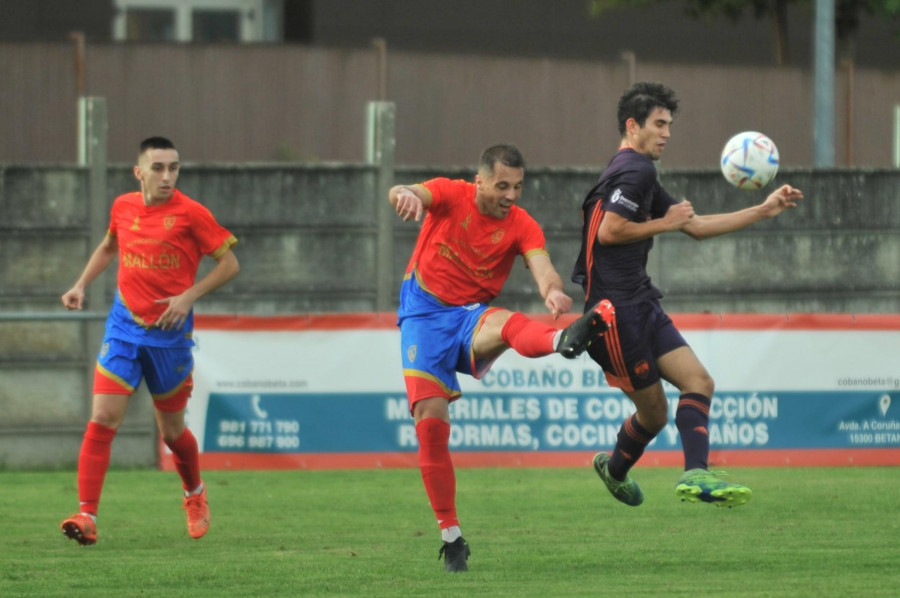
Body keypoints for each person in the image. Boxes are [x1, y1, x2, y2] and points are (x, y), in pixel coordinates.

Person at [572, 82, 803, 508]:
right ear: (632, 125)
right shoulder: (635, 170)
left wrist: (763, 209)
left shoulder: (640, 172)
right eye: (659, 124)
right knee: (655, 413)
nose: (667, 133)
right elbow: (609, 232)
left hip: (640, 303)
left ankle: (696, 474)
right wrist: (665, 223)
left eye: (669, 125)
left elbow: (693, 226)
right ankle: (615, 468)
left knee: (699, 381)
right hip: (614, 315)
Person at [390, 144, 611, 572]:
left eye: (519, 187)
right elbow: (408, 190)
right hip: (422, 316)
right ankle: (452, 537)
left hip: (470, 316)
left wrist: (552, 290)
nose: (512, 195)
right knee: (432, 427)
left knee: (508, 324)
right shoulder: (450, 194)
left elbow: (540, 263)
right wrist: (406, 194)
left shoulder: (521, 224)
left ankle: (562, 338)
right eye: (503, 186)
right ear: (480, 181)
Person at [59, 136, 240, 545]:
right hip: (123, 328)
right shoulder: (123, 206)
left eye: (173, 167)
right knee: (103, 418)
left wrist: (189, 295)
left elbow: (230, 264)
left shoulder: (192, 214)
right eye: (158, 168)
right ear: (138, 172)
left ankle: (194, 494)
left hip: (169, 339)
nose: (167, 176)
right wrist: (80, 284)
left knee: (172, 432)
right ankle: (87, 516)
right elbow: (109, 246)